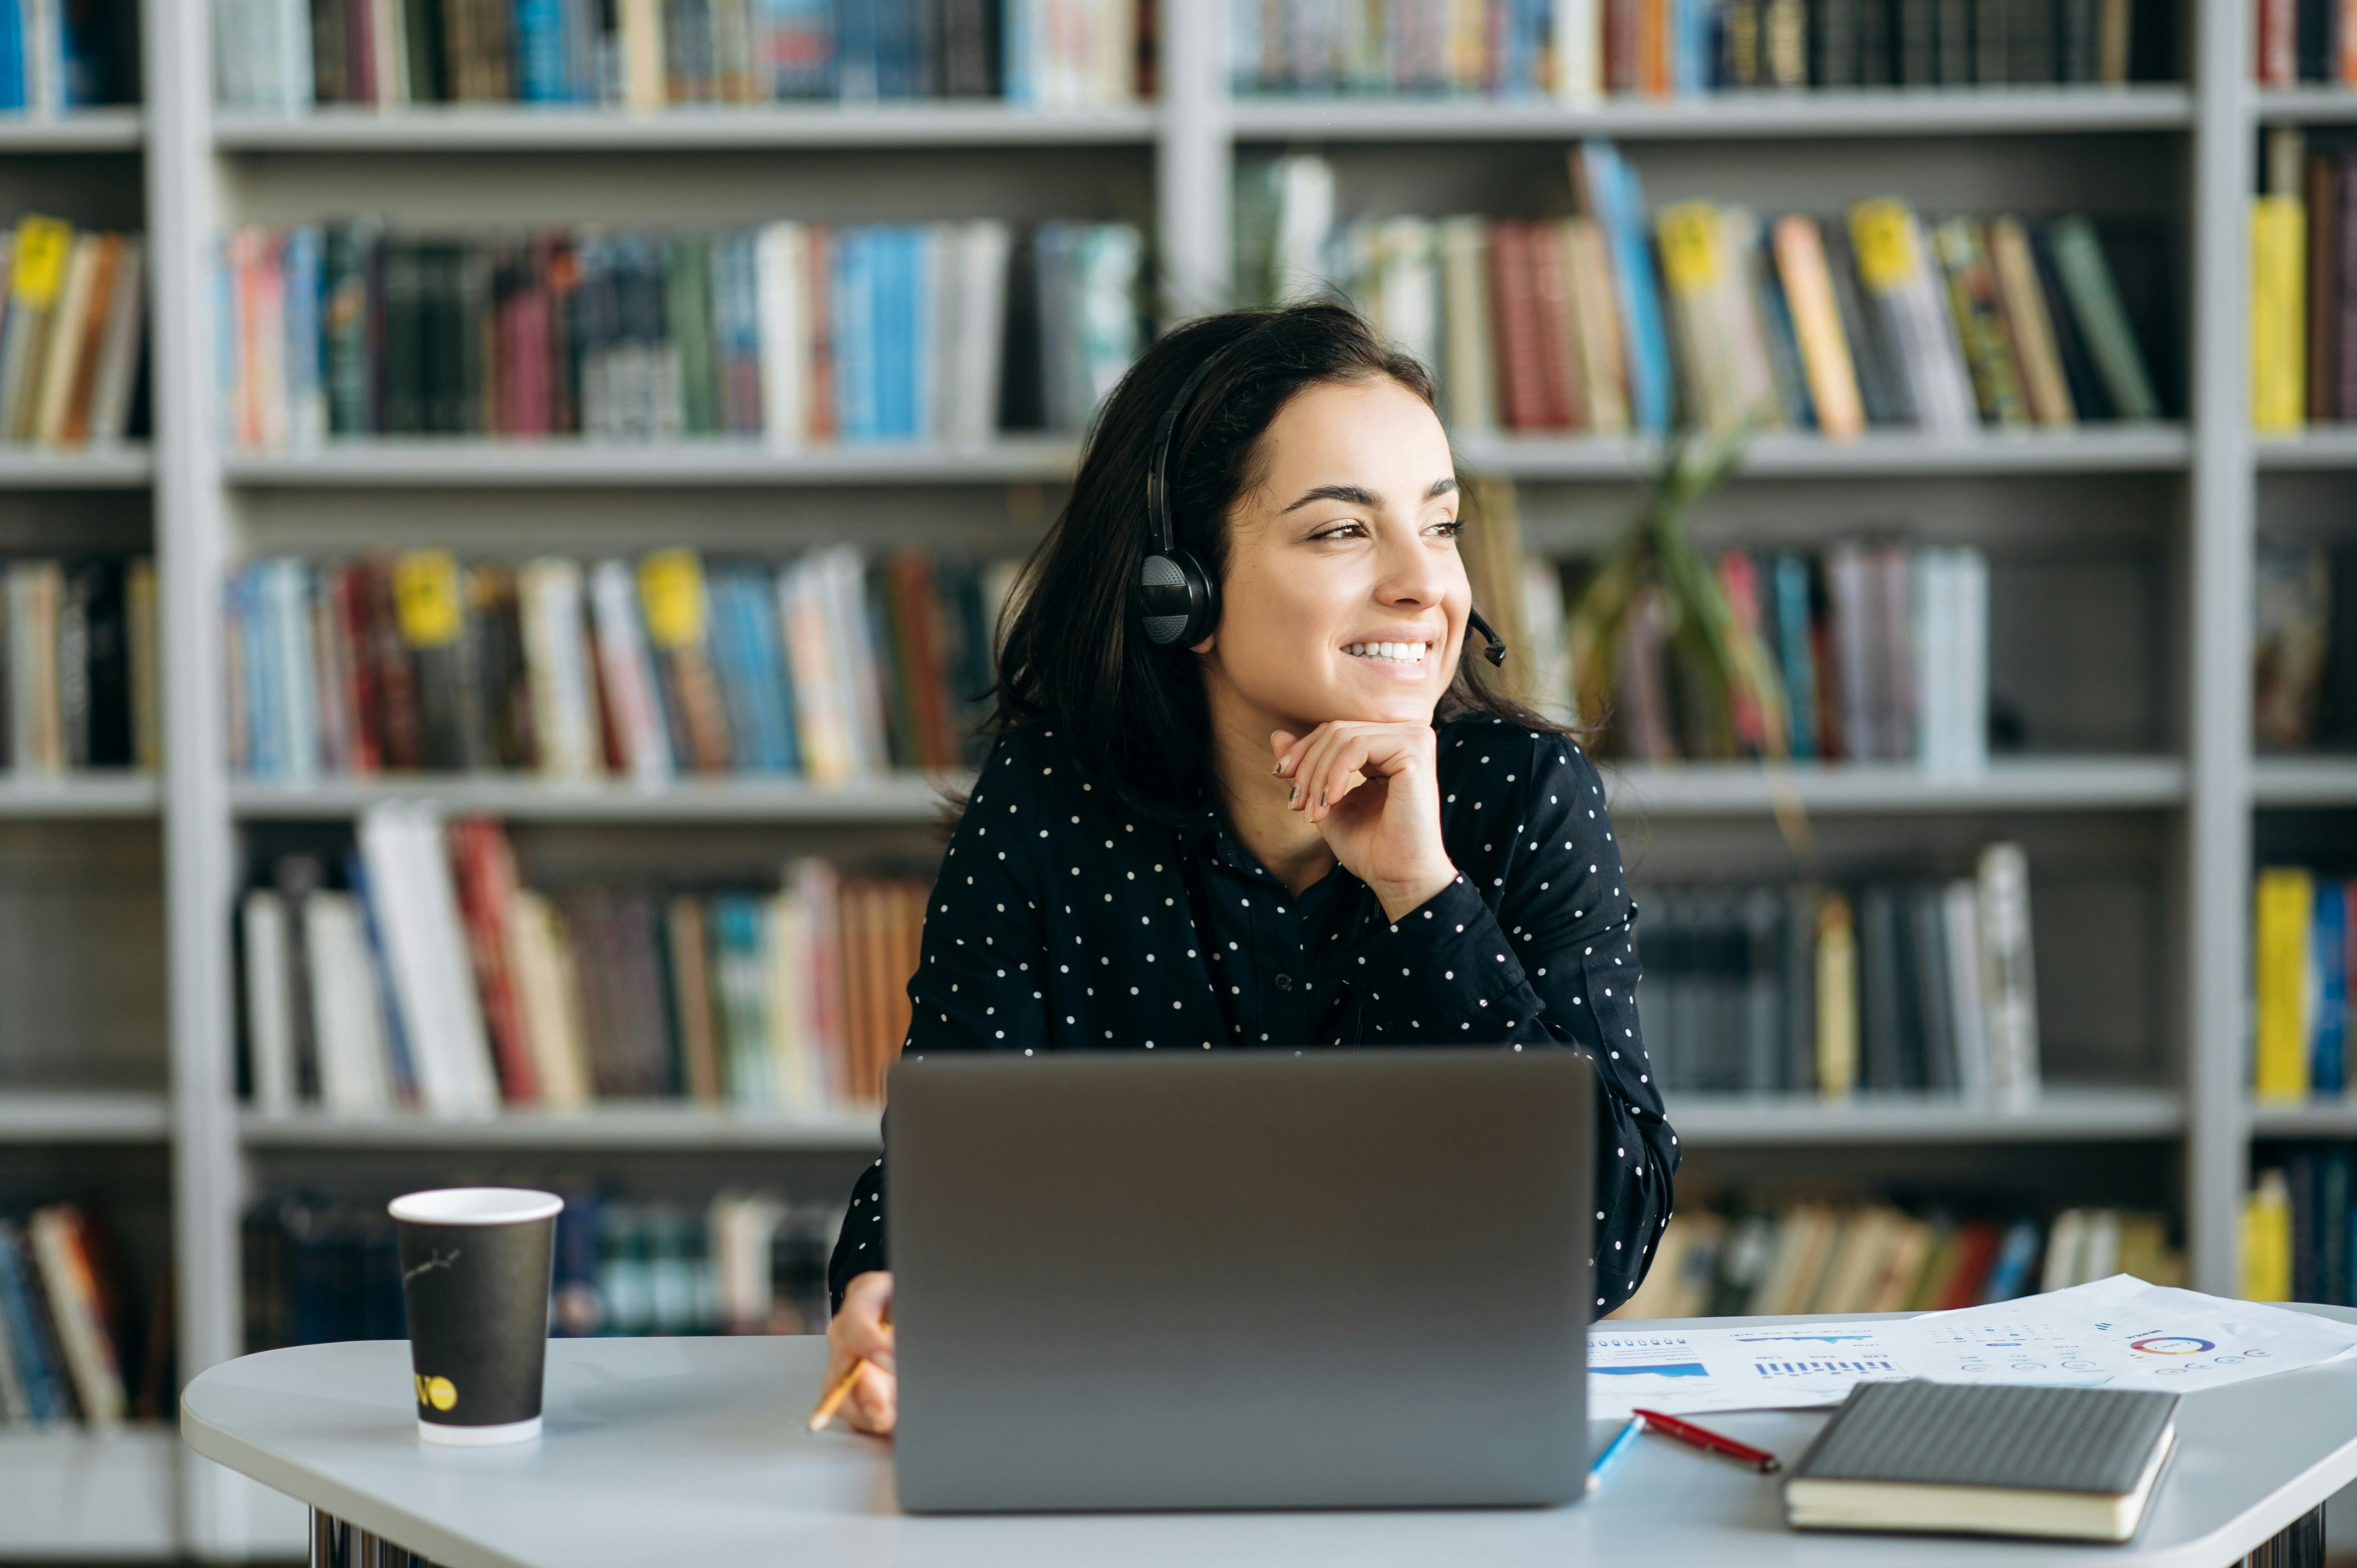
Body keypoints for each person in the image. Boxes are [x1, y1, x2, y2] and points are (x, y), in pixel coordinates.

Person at [819, 302, 1678, 1437]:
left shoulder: (1521, 799)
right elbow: (935, 1190)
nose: (1427, 586)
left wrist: (1425, 893)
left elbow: (1600, 1243)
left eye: (1442, 525)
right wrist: (890, 1309)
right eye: (1342, 532)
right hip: (1131, 1442)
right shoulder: (1049, 809)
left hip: (1435, 1446)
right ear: (1185, 591)